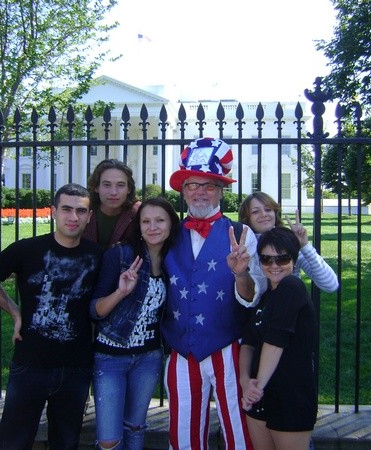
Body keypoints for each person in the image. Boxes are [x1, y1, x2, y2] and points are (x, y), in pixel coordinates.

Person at [0, 183, 102, 450]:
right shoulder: (27, 249)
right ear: (53, 211)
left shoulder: (97, 255)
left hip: (76, 368)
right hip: (30, 365)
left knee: (66, 444)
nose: (73, 217)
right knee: (13, 442)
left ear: (89, 216)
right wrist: (15, 311)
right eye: (66, 209)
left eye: (81, 211)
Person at [162, 137, 267, 449]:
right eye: (192, 185)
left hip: (228, 348)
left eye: (209, 185)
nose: (200, 192)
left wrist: (241, 273)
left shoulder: (243, 234)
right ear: (183, 191)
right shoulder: (167, 233)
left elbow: (253, 297)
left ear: (221, 191)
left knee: (240, 434)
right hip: (181, 350)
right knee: (183, 437)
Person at [90, 196, 180, 450]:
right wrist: (121, 293)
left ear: (171, 224)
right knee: (109, 439)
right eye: (146, 221)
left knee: (136, 428)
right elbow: (94, 310)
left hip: (148, 358)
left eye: (160, 220)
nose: (153, 227)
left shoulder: (174, 262)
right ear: (138, 226)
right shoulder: (121, 255)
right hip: (110, 357)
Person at [239, 226, 318, 450]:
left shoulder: (292, 287)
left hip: (290, 396)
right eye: (267, 259)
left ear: (293, 260)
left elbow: (275, 342)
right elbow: (248, 343)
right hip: (260, 395)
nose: (274, 265)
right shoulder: (266, 296)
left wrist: (256, 388)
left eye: (282, 259)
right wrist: (245, 382)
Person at [238, 192, 338, 293]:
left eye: (268, 209)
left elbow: (330, 285)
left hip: (289, 300)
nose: (264, 214)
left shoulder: (287, 241)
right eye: (255, 212)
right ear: (246, 218)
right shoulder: (240, 245)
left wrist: (305, 246)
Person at [84, 158, 141, 249]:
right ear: (96, 187)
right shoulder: (82, 211)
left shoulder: (139, 212)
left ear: (129, 189)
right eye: (107, 185)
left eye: (120, 185)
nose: (113, 192)